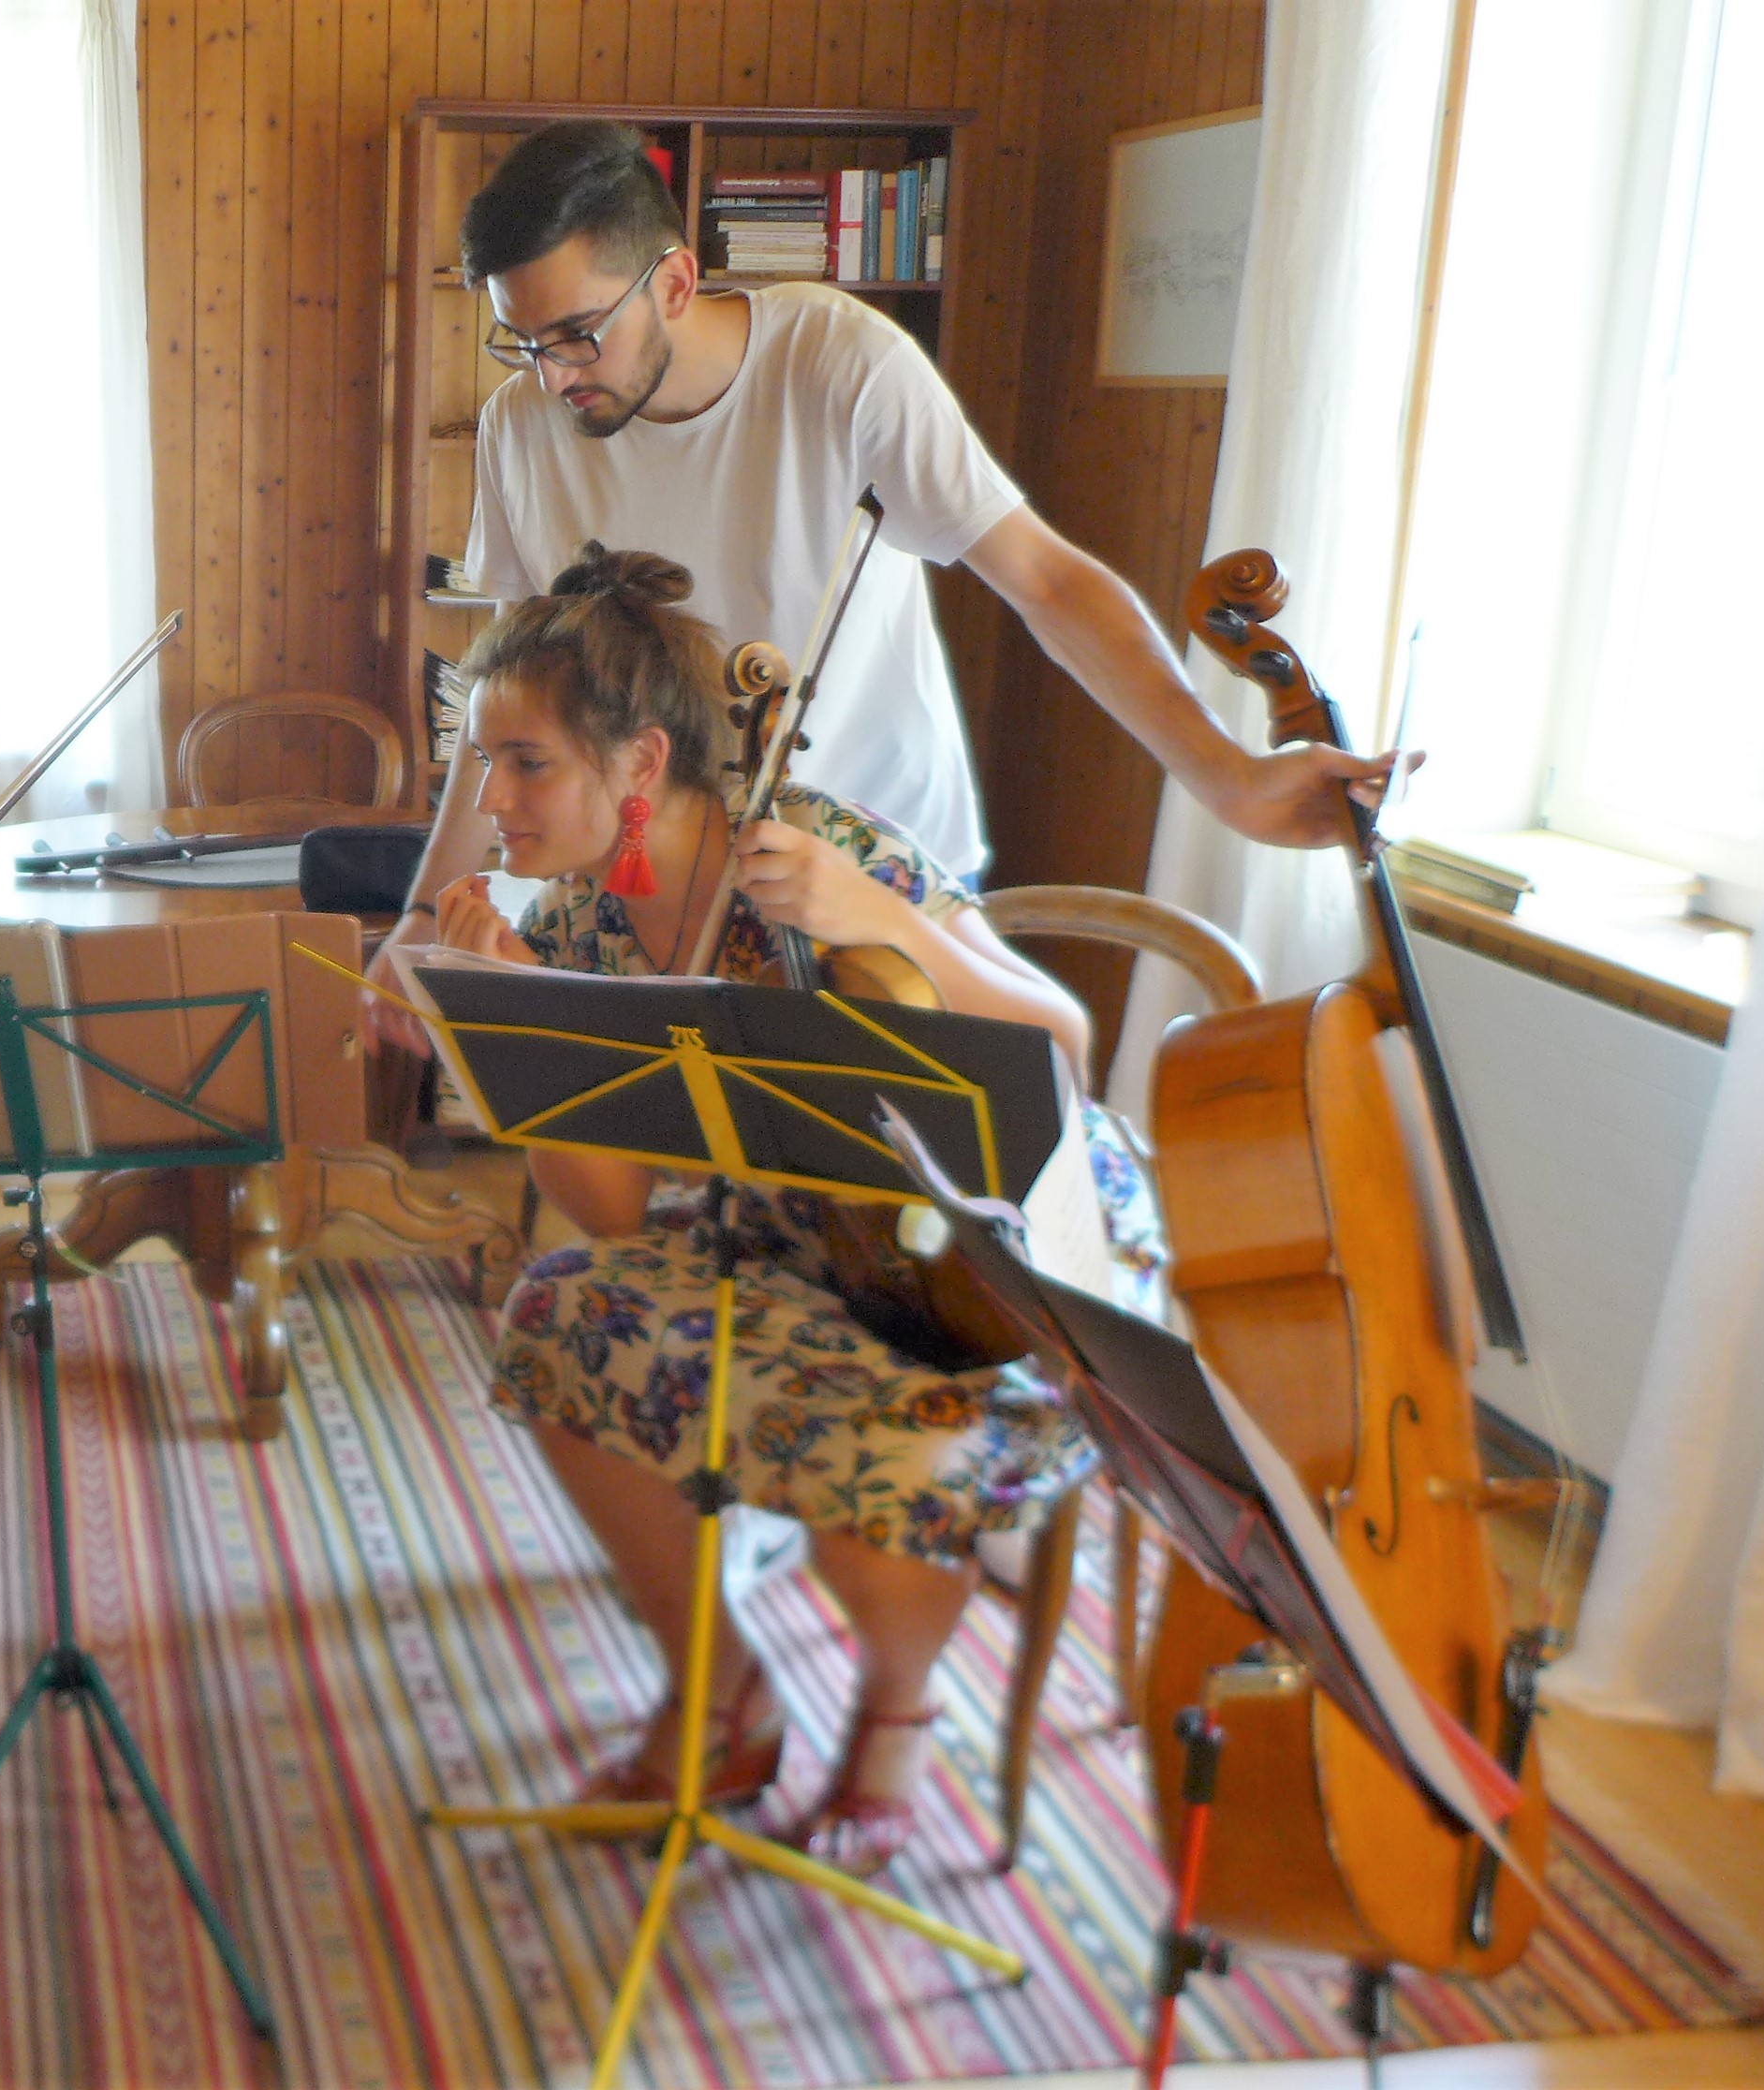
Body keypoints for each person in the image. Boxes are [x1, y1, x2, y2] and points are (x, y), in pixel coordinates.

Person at [420, 546, 1171, 1876]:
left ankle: (897, 1707)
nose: (490, 800)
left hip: (1000, 1244)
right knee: (559, 1319)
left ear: (641, 763)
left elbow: (1060, 1041)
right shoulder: (584, 924)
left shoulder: (815, 845)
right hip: (812, 1232)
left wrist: (886, 918)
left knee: (872, 1469)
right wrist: (515, 1032)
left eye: (523, 762)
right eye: (484, 762)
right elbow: (609, 1216)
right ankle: (723, 1691)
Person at [382, 119, 1393, 1026]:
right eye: (522, 342)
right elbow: (512, 701)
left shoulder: (838, 361)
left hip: (874, 873)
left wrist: (1230, 780)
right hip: (663, 882)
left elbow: (1045, 581)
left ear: (675, 283)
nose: (553, 375)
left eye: (576, 335)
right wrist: (422, 916)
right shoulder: (519, 425)